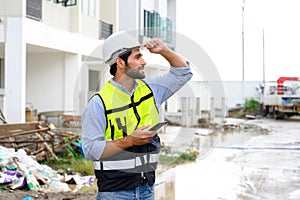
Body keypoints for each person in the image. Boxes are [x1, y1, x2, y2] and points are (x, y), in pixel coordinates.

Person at [81, 31, 193, 200]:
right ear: (120, 62)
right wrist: (130, 140)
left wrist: (164, 50)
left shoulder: (152, 89)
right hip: (114, 193)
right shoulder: (99, 103)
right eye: (138, 57)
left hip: (146, 190)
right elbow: (91, 150)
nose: (144, 62)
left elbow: (183, 72)